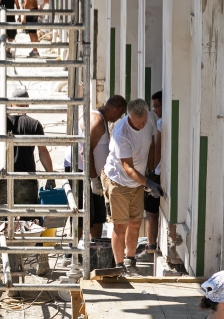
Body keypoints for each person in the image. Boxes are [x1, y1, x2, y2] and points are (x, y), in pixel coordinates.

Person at [103, 98, 164, 276]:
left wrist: (152, 169)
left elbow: (151, 144)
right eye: (138, 122)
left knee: (136, 223)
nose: (142, 124)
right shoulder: (121, 133)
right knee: (120, 225)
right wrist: (149, 182)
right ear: (129, 117)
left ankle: (131, 261)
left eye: (144, 121)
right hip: (119, 181)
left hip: (138, 181)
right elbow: (128, 168)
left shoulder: (149, 120)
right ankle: (119, 265)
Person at [65, 94, 128, 240]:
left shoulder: (100, 118)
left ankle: (95, 248)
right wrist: (93, 178)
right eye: (121, 114)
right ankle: (72, 251)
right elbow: (85, 151)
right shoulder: (97, 120)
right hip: (81, 170)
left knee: (98, 215)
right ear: (117, 110)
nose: (119, 118)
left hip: (92, 172)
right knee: (81, 212)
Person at [2, 103, 55, 275]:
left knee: (5, 220)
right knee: (32, 221)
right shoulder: (34, 124)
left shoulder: (3, 121)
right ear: (26, 104)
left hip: (5, 179)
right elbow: (43, 151)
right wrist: (51, 175)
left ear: (11, 104)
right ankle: (40, 260)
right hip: (27, 179)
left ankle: (7, 262)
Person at [140, 90, 163, 260]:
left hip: (157, 172)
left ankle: (151, 244)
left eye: (157, 106)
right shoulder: (158, 121)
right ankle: (151, 244)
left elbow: (156, 147)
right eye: (153, 106)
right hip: (159, 171)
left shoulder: (160, 123)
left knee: (151, 211)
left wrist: (152, 170)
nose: (154, 110)